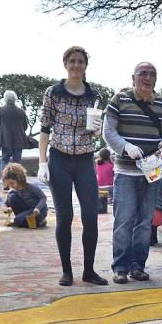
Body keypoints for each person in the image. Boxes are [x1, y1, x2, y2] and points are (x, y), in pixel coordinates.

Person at [39, 46, 108, 286]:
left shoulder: (94, 95)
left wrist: (96, 128)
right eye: (72, 61)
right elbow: (45, 127)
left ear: (86, 66)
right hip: (60, 157)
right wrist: (42, 161)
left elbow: (97, 131)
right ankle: (66, 270)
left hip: (85, 159)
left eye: (80, 61)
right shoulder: (53, 93)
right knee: (65, 216)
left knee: (90, 216)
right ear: (65, 64)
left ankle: (88, 270)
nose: (76, 65)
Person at [103, 61, 162, 284]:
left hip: (153, 170)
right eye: (142, 73)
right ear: (132, 77)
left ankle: (138, 266)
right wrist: (125, 147)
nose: (147, 77)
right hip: (126, 171)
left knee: (145, 221)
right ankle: (120, 267)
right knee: (123, 220)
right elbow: (108, 131)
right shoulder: (119, 100)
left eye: (152, 74)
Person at [0, 90, 29, 182]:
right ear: (15, 99)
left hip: (6, 139)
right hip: (19, 140)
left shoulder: (1, 110)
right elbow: (25, 126)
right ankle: (17, 179)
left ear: (5, 99)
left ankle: (4, 179)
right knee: (17, 161)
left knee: (4, 160)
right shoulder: (21, 111)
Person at [1, 163, 48, 228]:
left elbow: (43, 198)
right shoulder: (13, 190)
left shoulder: (30, 186)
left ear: (19, 179)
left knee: (18, 221)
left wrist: (38, 208)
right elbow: (4, 203)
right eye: (9, 184)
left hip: (37, 211)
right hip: (26, 210)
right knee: (11, 196)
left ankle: (40, 222)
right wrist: (6, 209)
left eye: (12, 183)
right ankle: (22, 219)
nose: (11, 186)